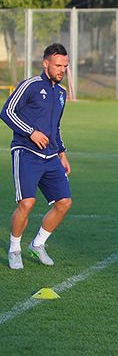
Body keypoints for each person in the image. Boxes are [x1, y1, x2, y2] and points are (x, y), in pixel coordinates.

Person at [0, 43, 72, 269]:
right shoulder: (30, 86)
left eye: (65, 66)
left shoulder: (61, 94)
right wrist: (31, 132)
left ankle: (38, 244)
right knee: (27, 202)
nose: (62, 70)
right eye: (58, 65)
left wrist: (62, 153)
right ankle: (14, 249)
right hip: (26, 152)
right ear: (46, 63)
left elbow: (56, 126)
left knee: (64, 202)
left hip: (51, 156)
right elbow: (6, 112)